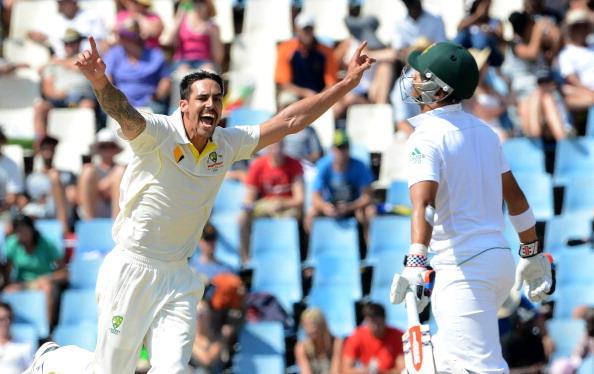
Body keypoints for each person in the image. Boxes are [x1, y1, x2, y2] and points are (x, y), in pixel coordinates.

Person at [24, 35, 373, 373]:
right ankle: (53, 358)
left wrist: (345, 84)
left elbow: (289, 121)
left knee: (174, 368)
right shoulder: (160, 133)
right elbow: (126, 115)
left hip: (177, 274)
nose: (211, 104)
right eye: (203, 97)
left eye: (217, 98)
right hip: (132, 266)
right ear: (184, 104)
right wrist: (100, 82)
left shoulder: (227, 142)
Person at [389, 41, 555, 373]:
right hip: (495, 261)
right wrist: (531, 251)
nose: (414, 79)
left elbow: (424, 205)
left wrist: (416, 261)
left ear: (438, 89)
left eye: (421, 75)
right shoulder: (486, 133)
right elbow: (517, 199)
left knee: (483, 369)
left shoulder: (425, 138)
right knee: (440, 365)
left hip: (465, 271)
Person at [238, 140, 304, 264]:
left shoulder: (294, 164)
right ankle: (246, 259)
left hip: (288, 205)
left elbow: (299, 199)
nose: (276, 150)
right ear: (268, 148)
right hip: (266, 204)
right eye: (273, 146)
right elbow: (250, 196)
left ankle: (289, 259)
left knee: (290, 217)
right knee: (243, 218)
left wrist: (283, 204)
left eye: (279, 146)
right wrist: (247, 208)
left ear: (283, 147)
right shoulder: (258, 164)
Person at [304, 129, 375, 243]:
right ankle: (315, 249)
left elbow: (367, 197)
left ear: (349, 149)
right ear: (332, 150)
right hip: (331, 206)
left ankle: (370, 250)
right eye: (338, 148)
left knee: (370, 211)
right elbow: (315, 197)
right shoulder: (323, 166)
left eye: (344, 148)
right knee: (311, 214)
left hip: (353, 206)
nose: (341, 152)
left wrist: (349, 207)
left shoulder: (359, 166)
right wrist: (325, 207)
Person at [1, 215, 67, 326]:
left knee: (47, 288)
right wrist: (10, 284)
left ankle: (46, 328)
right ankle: (12, 328)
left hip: (42, 282)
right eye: (19, 231)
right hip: (22, 283)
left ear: (32, 229)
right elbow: (7, 270)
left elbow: (64, 272)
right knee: (8, 291)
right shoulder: (12, 244)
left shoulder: (47, 244)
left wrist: (48, 278)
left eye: (24, 230)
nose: (22, 234)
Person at [33, 28, 96, 142]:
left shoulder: (87, 57)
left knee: (87, 105)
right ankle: (41, 144)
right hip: (57, 100)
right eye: (67, 43)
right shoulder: (53, 64)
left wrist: (57, 62)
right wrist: (57, 94)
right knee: (40, 108)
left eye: (73, 42)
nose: (70, 46)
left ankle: (84, 143)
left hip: (81, 98)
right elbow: (47, 86)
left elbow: (78, 65)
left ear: (79, 43)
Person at [103, 19, 172, 114]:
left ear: (137, 36)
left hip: (150, 102)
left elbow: (165, 79)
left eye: (126, 35)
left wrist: (157, 96)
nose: (120, 38)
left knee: (158, 110)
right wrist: (115, 98)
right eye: (121, 35)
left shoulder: (156, 55)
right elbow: (107, 78)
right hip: (121, 102)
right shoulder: (114, 53)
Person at [275, 12, 339, 102]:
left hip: (321, 95)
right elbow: (284, 83)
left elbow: (331, 82)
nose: (307, 32)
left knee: (337, 106)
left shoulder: (326, 51)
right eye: (305, 29)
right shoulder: (285, 49)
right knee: (286, 99)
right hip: (297, 95)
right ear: (297, 30)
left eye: (310, 28)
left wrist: (319, 97)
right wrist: (305, 93)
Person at [26, 0, 108, 58]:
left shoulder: (92, 16)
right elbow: (31, 34)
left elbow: (104, 43)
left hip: (87, 61)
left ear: (73, 2)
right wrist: (39, 36)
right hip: (61, 62)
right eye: (59, 2)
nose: (60, 4)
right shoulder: (52, 19)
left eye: (63, 2)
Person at [342, 302, 404, 373]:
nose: (375, 328)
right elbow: (346, 370)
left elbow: (402, 370)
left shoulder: (398, 336)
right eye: (371, 323)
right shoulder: (357, 335)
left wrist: (380, 372)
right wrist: (365, 371)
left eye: (378, 323)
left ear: (384, 320)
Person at [77, 128, 125, 220]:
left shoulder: (121, 169)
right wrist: (108, 184)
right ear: (98, 149)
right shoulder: (91, 170)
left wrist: (103, 186)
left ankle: (116, 221)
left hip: (115, 215)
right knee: (88, 172)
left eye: (111, 146)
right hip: (95, 212)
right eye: (103, 146)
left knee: (120, 171)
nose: (107, 149)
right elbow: (79, 196)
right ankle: (89, 221)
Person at [558, 9, 594, 111]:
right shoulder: (566, 54)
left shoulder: (592, 44)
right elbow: (571, 79)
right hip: (583, 91)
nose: (581, 30)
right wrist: (588, 91)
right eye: (577, 27)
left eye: (583, 26)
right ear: (571, 29)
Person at [295, 307, 343, 374]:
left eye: (312, 325)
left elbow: (336, 371)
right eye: (305, 325)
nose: (308, 330)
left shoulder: (336, 343)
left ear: (322, 325)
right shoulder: (301, 347)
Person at [0, 302, 35, 374]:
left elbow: (33, 371)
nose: (7, 322)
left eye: (10, 318)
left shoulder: (26, 346)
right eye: (1, 319)